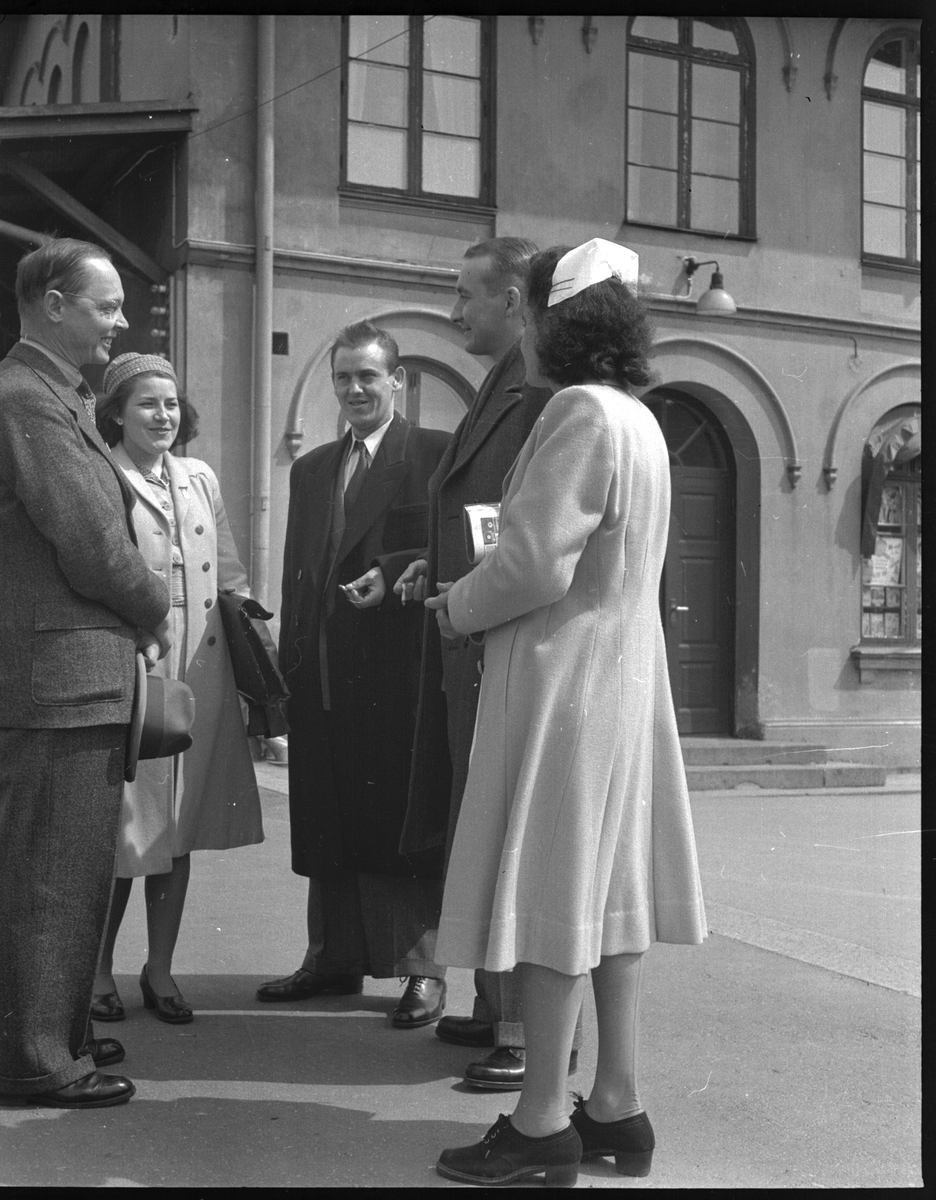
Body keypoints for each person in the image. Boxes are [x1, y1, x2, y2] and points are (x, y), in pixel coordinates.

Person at [426, 240, 707, 1187]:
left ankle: (542, 1120)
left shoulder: (577, 412)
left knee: (552, 900)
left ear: (556, 321)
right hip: (622, 681)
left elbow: (534, 562)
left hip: (565, 682)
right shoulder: (640, 418)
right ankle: (616, 1104)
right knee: (609, 902)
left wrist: (458, 605)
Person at [0, 238, 172, 1110]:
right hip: (55, 683)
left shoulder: (46, 394)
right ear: (53, 304)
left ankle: (57, 1033)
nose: (121, 322)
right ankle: (37, 1060)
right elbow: (93, 544)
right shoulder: (29, 400)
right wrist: (155, 606)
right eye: (106, 305)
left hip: (61, 678)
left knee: (66, 865)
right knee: (50, 872)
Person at [385, 237, 561, 1092]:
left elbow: (532, 536)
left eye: (466, 296)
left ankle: (527, 1035)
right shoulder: (500, 384)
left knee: (510, 834)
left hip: (504, 647)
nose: (454, 312)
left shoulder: (540, 392)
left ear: (514, 301)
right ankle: (499, 1009)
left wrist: (468, 586)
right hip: (476, 641)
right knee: (480, 827)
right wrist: (438, 562)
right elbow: (484, 517)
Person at [256, 321, 452, 1027]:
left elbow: (458, 547)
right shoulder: (312, 470)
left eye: (368, 376)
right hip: (323, 675)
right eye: (343, 377)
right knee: (327, 820)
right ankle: (331, 959)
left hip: (399, 677)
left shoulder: (433, 454)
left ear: (396, 380)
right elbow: (299, 575)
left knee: (401, 824)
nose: (355, 389)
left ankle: (423, 970)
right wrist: (286, 678)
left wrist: (393, 569)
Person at [90, 352, 267, 1024]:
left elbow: (230, 574)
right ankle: (97, 970)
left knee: (180, 828)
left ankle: (159, 969)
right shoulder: (102, 475)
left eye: (170, 403)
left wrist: (253, 646)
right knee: (126, 831)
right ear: (116, 413)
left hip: (201, 675)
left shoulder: (199, 477)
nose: (162, 415)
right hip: (136, 675)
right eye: (146, 404)